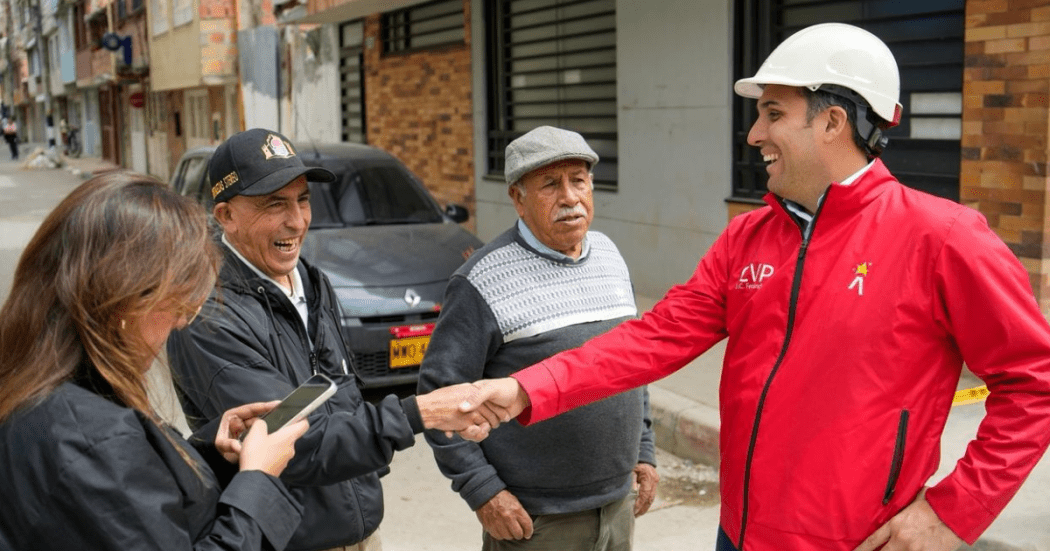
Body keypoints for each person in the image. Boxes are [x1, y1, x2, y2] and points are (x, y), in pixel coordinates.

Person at [461, 22, 1050, 551]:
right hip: (739, 534)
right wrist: (524, 389)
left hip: (857, 541)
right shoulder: (747, 237)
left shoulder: (943, 237)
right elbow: (652, 340)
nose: (753, 133)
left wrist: (952, 513)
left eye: (772, 113)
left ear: (833, 121)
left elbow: (1033, 384)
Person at [166, 128, 502, 551]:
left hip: (357, 532)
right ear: (225, 216)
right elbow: (296, 443)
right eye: (275, 204)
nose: (297, 220)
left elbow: (339, 392)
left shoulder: (307, 278)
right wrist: (421, 412)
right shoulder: (208, 317)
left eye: (303, 199)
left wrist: (364, 483)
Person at [0, 172, 312, 550]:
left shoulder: (48, 388)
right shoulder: (91, 437)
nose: (181, 320)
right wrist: (258, 479)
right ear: (122, 297)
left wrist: (206, 454)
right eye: (177, 302)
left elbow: (136, 500)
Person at [417, 125, 658, 550]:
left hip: (618, 506)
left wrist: (644, 450)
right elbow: (441, 399)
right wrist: (483, 491)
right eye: (550, 184)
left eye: (578, 180)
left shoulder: (609, 255)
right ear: (518, 198)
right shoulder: (482, 280)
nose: (569, 197)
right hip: (534, 519)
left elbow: (632, 363)